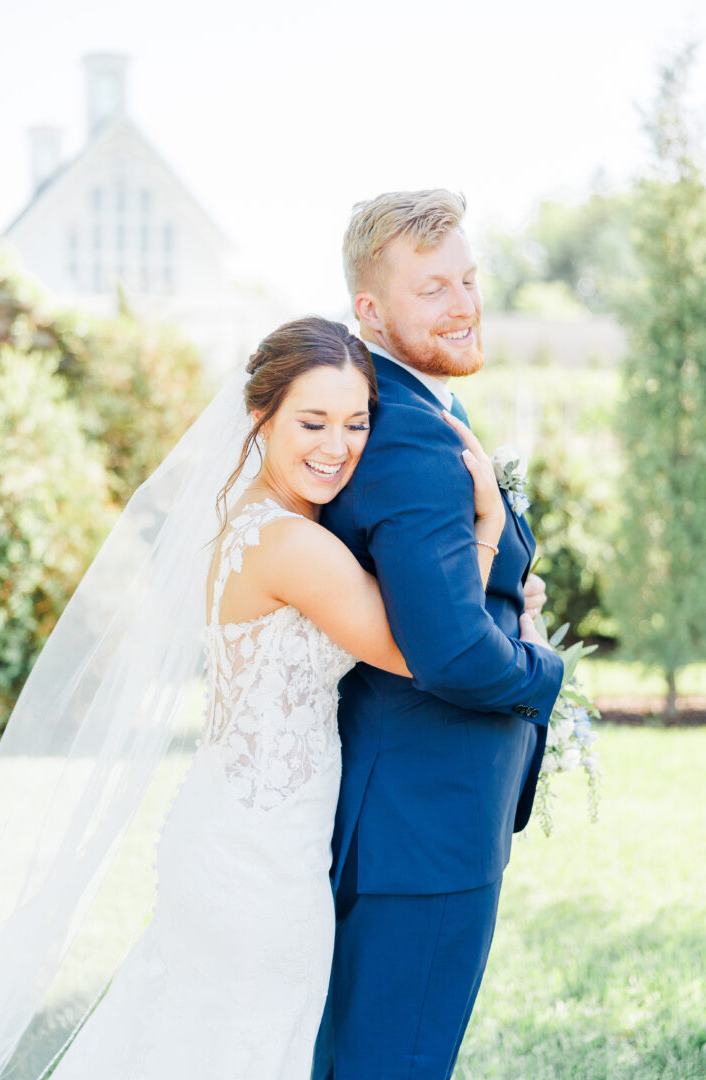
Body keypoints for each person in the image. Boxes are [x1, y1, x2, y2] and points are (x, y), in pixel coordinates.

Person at [0, 315, 518, 1080]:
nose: (337, 447)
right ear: (261, 414)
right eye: (312, 421)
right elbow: (427, 650)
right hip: (259, 858)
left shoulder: (257, 521)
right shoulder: (291, 546)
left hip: (238, 828)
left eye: (356, 422)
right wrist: (487, 529)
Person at [312, 190, 565, 1080]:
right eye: (433, 290)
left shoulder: (413, 411)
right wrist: (545, 671)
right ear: (370, 311)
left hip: (415, 817)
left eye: (468, 278)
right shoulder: (410, 439)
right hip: (421, 831)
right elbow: (451, 652)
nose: (464, 303)